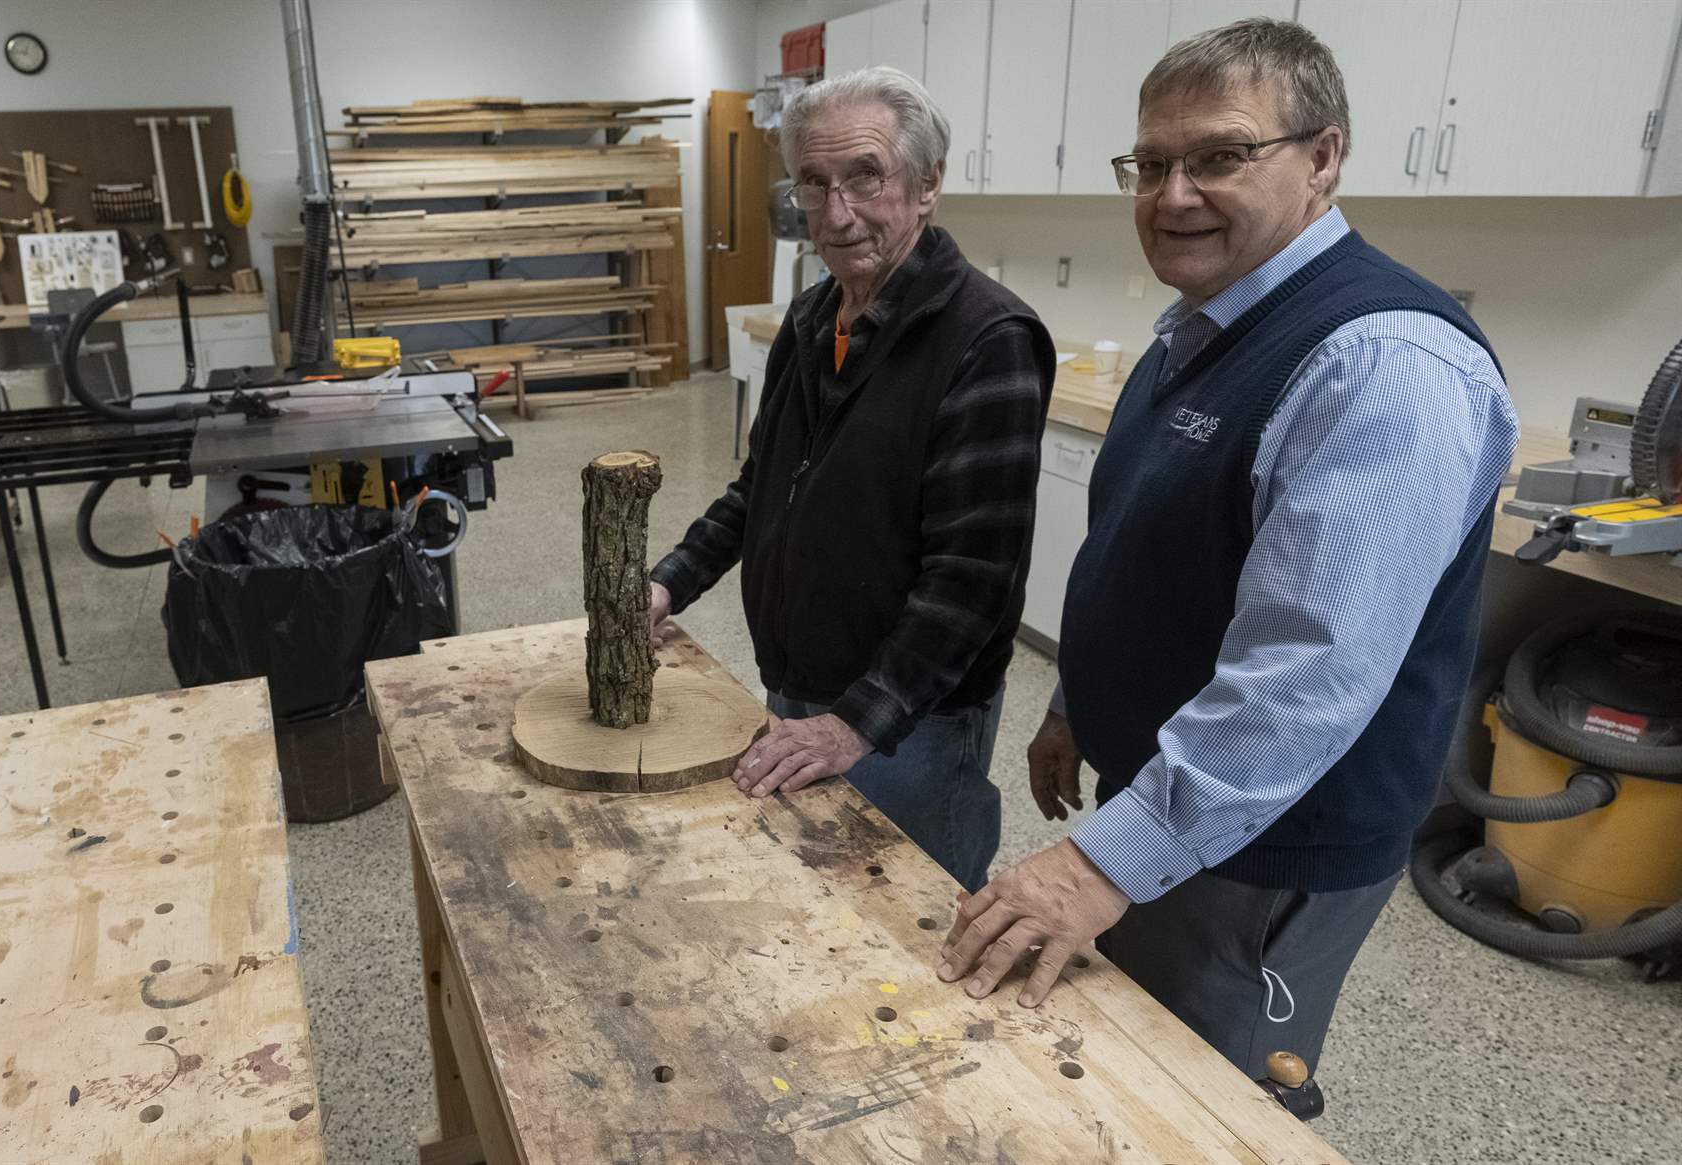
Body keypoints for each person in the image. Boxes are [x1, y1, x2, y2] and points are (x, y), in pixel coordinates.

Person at [937, 18, 1518, 1085]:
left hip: (1268, 847)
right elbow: (1140, 547)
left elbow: (1306, 676)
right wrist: (1078, 703)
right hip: (1181, 799)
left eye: (1219, 156)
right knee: (1128, 1062)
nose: (1173, 194)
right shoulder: (1198, 330)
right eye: (1153, 163)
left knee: (1208, 1094)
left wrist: (1100, 862)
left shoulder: (1380, 363)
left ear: (1324, 158)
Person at [647, 66, 1055, 891]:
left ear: (928, 182)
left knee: (911, 924)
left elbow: (970, 584)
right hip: (803, 688)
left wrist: (851, 726)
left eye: (865, 176)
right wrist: (665, 585)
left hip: (910, 724)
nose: (837, 214)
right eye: (815, 183)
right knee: (820, 905)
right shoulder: (812, 316)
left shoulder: (989, 340)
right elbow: (758, 489)